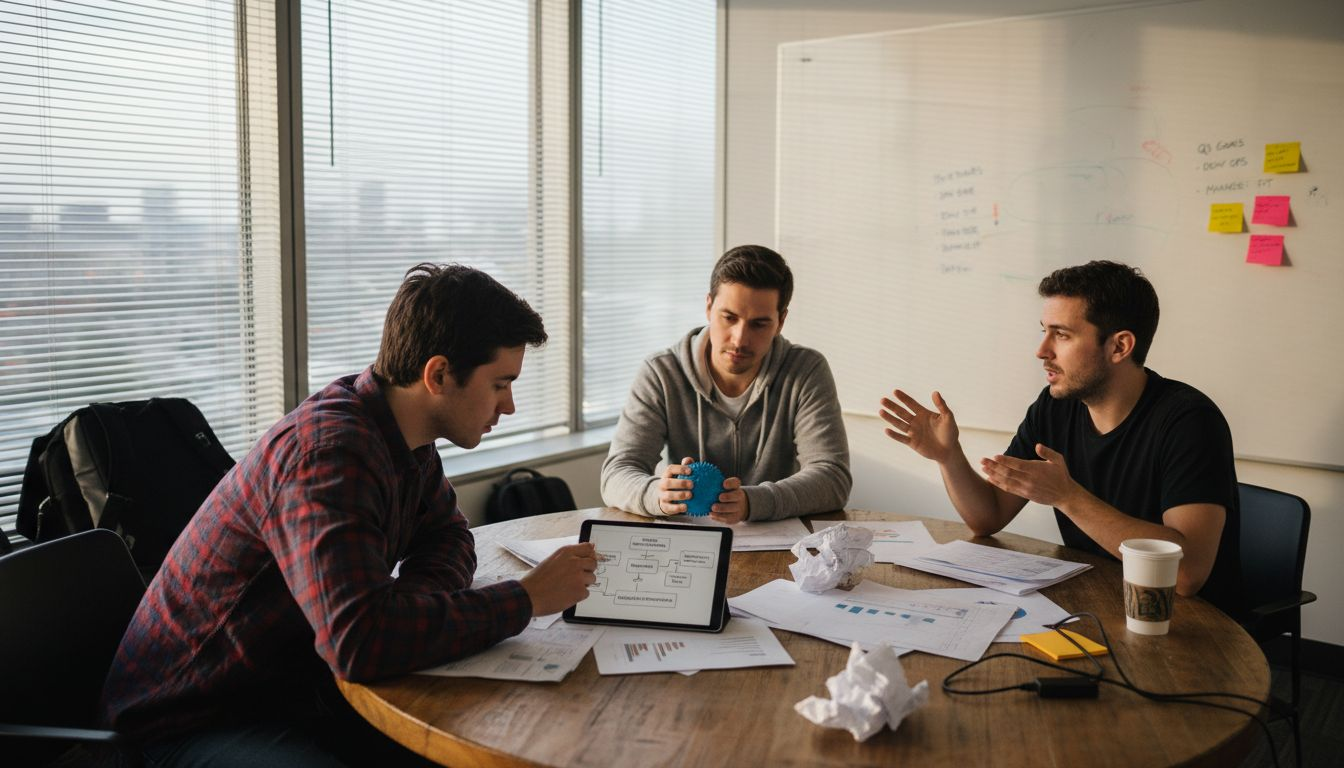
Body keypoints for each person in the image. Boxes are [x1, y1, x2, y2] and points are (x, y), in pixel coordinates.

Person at [99, 264, 598, 766]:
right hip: (193, 718)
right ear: (439, 375)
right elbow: (359, 643)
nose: (509, 406)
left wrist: (403, 608)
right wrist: (525, 598)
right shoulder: (331, 453)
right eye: (500, 384)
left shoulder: (402, 431)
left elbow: (449, 537)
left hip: (294, 687)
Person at [879, 260, 1241, 614]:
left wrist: (1067, 497)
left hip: (1189, 623)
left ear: (1119, 347)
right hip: (1099, 602)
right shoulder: (1055, 407)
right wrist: (949, 456)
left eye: (1062, 334)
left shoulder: (1190, 421)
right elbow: (987, 517)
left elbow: (1185, 575)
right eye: (1044, 331)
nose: (1042, 351)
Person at [601, 244, 851, 523]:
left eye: (759, 324)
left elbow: (833, 477)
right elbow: (617, 473)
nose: (740, 339)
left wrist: (753, 502)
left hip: (778, 549)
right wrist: (657, 495)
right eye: (729, 318)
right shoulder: (661, 372)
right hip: (689, 545)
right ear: (709, 307)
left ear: (781, 321)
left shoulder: (806, 370)